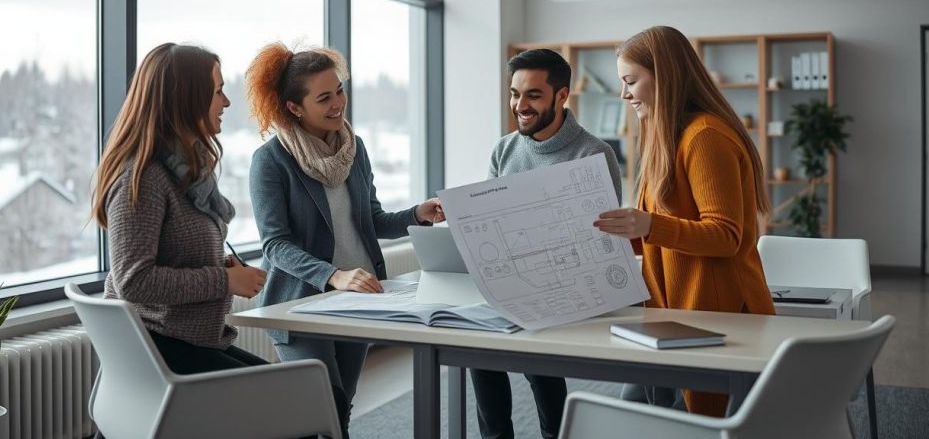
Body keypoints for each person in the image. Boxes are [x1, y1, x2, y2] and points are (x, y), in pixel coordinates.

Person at [246, 42, 444, 438]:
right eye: (324, 97)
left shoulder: (355, 147)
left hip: (359, 299)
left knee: (341, 409)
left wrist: (417, 215)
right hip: (301, 304)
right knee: (319, 409)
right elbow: (275, 245)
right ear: (294, 108)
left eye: (339, 90)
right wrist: (333, 274)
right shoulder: (270, 161)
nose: (338, 103)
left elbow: (371, 220)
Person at [593, 25, 775, 416]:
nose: (624, 94)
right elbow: (661, 230)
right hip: (671, 314)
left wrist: (648, 226)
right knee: (636, 416)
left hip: (714, 316)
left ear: (665, 76)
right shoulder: (668, 137)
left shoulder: (705, 137)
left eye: (631, 81)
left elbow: (726, 235)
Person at [472, 48, 623, 439]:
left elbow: (602, 239)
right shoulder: (504, 150)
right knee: (478, 346)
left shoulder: (594, 154)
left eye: (533, 95)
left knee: (538, 358)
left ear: (561, 96)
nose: (519, 105)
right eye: (514, 93)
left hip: (567, 284)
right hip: (508, 277)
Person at [92, 42, 269, 375]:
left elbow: (169, 257)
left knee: (316, 391)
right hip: (163, 353)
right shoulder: (144, 178)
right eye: (218, 92)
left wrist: (221, 267)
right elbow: (134, 280)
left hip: (187, 345)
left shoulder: (184, 171)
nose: (227, 102)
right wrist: (224, 280)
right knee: (316, 394)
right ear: (186, 99)